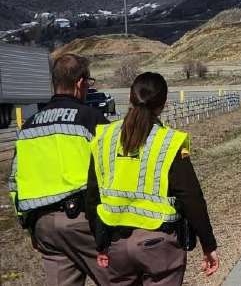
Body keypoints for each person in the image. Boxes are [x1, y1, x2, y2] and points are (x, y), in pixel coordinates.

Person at [87, 72, 220, 286]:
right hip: (159, 245)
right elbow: (190, 196)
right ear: (164, 103)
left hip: (116, 243)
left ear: (130, 98)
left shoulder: (104, 136)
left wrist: (100, 243)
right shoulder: (171, 142)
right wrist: (208, 244)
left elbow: (92, 196)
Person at [8, 54, 110, 286]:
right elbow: (111, 169)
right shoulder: (91, 118)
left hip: (43, 225)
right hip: (83, 221)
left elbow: (14, 181)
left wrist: (27, 223)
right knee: (121, 278)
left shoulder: (29, 126)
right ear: (80, 83)